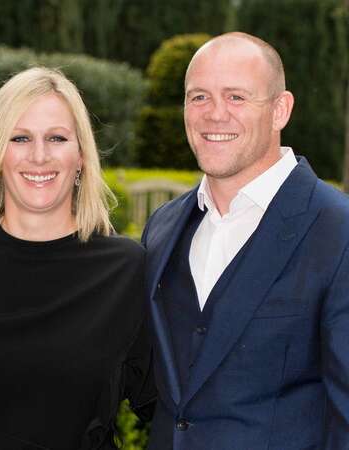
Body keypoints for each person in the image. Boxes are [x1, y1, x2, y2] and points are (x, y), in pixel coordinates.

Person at [0, 67, 155, 450]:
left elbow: (169, 407)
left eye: (57, 138)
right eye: (20, 138)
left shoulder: (126, 269)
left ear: (80, 157)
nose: (39, 156)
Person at [142, 32, 349, 449]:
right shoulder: (162, 228)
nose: (214, 114)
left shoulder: (338, 230)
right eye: (198, 97)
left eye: (236, 97)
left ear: (279, 110)